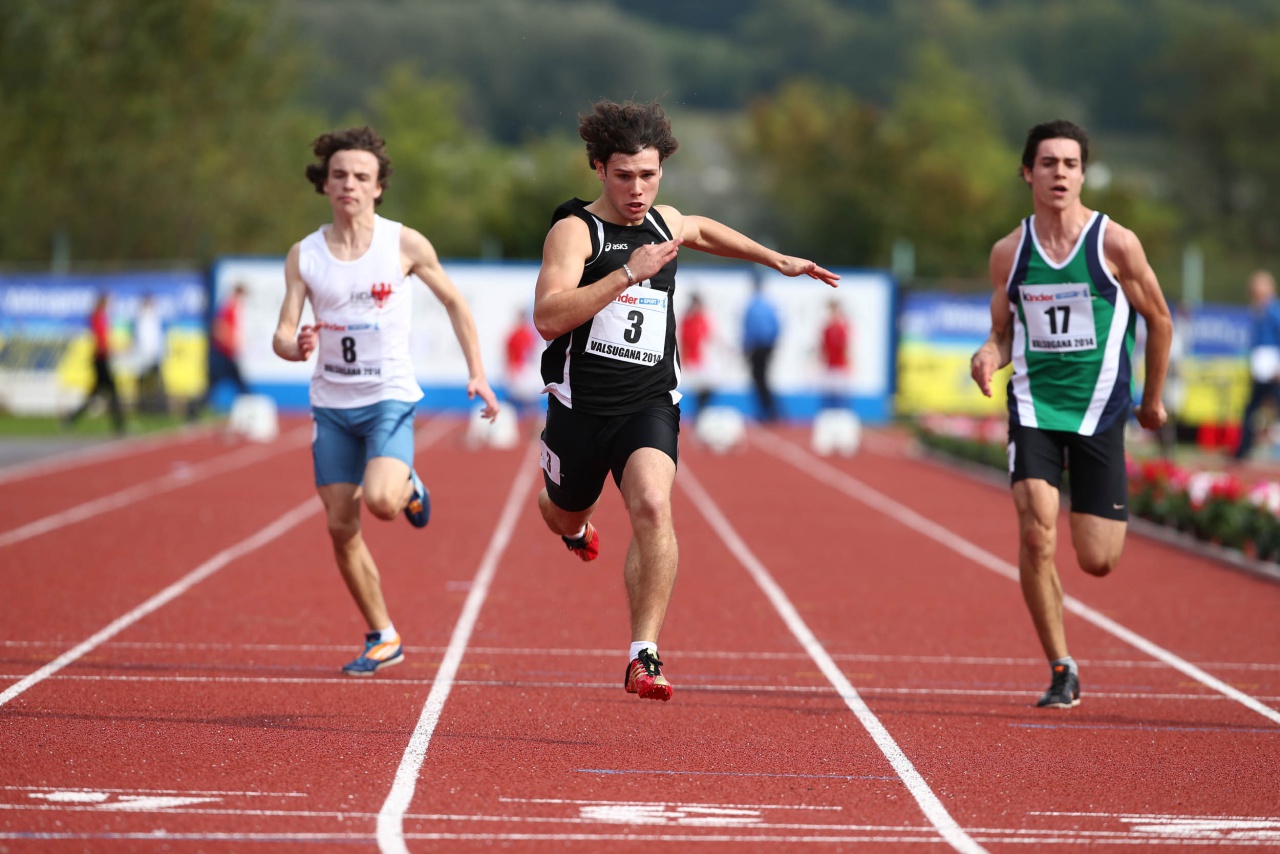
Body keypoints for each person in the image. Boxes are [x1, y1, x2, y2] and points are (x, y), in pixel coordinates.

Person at [534, 99, 838, 701]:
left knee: (652, 504)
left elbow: (699, 229)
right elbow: (548, 317)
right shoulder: (575, 231)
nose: (637, 189)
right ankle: (573, 524)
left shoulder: (662, 221)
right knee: (564, 512)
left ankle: (642, 654)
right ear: (599, 168)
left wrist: (774, 258)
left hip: (648, 402)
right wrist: (627, 274)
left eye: (648, 175)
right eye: (624, 176)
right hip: (579, 409)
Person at [272, 126, 499, 676]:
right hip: (331, 405)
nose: (349, 184)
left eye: (361, 176)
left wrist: (477, 372)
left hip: (387, 398)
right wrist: (295, 345)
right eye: (339, 175)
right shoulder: (305, 255)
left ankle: (408, 485)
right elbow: (281, 332)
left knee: (380, 501)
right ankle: (383, 635)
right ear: (325, 184)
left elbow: (455, 303)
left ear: (377, 187)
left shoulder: (404, 244)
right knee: (339, 526)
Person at [970, 120, 1172, 710]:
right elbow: (1003, 333)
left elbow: (1159, 319)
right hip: (1034, 405)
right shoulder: (1009, 253)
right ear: (1027, 173)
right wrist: (988, 354)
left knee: (1098, 560)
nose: (1060, 173)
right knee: (1036, 532)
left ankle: (1066, 652)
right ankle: (1061, 668)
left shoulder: (1115, 244)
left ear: (1083, 175)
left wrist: (1152, 399)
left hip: (1100, 408)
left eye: (1070, 164)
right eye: (1049, 163)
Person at [1233, 270, 1280, 461]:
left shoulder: (1274, 310)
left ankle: (1243, 450)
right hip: (1261, 371)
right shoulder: (1257, 312)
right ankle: (1243, 450)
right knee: (1250, 410)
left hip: (1274, 370)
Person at [64, 291, 126, 435]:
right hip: (100, 359)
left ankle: (71, 417)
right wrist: (110, 349)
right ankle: (119, 424)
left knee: (97, 393)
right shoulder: (98, 317)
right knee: (112, 391)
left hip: (101, 358)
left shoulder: (101, 317)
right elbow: (101, 339)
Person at [187, 283, 251, 419]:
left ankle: (194, 408)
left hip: (226, 354)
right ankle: (193, 408)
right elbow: (218, 328)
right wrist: (230, 344)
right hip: (222, 354)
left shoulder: (233, 308)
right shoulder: (228, 307)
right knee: (221, 385)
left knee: (236, 385)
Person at [742, 277, 781, 421]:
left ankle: (768, 409)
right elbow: (776, 326)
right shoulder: (768, 305)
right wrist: (772, 344)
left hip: (756, 347)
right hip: (766, 346)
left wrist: (746, 346)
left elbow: (748, 328)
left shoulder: (752, 306)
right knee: (763, 378)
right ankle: (770, 409)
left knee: (759, 378)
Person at [503, 307, 543, 422]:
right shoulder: (521, 334)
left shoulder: (524, 334)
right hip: (520, 370)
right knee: (524, 402)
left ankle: (532, 423)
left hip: (522, 371)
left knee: (526, 402)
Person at [678, 292, 715, 415]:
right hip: (692, 359)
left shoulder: (701, 319)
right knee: (699, 387)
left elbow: (708, 337)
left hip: (701, 359)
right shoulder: (688, 320)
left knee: (706, 386)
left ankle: (701, 410)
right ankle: (699, 411)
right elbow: (685, 340)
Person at [132, 292, 167, 414]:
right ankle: (143, 406)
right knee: (143, 382)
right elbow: (142, 338)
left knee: (157, 381)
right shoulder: (140, 317)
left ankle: (160, 406)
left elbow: (156, 337)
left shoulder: (155, 316)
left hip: (154, 354)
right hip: (143, 355)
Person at [818, 298, 854, 410]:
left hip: (840, 366)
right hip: (829, 366)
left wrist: (848, 363)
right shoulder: (826, 329)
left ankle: (841, 415)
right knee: (828, 395)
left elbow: (845, 347)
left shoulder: (841, 328)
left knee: (841, 396)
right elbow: (823, 348)